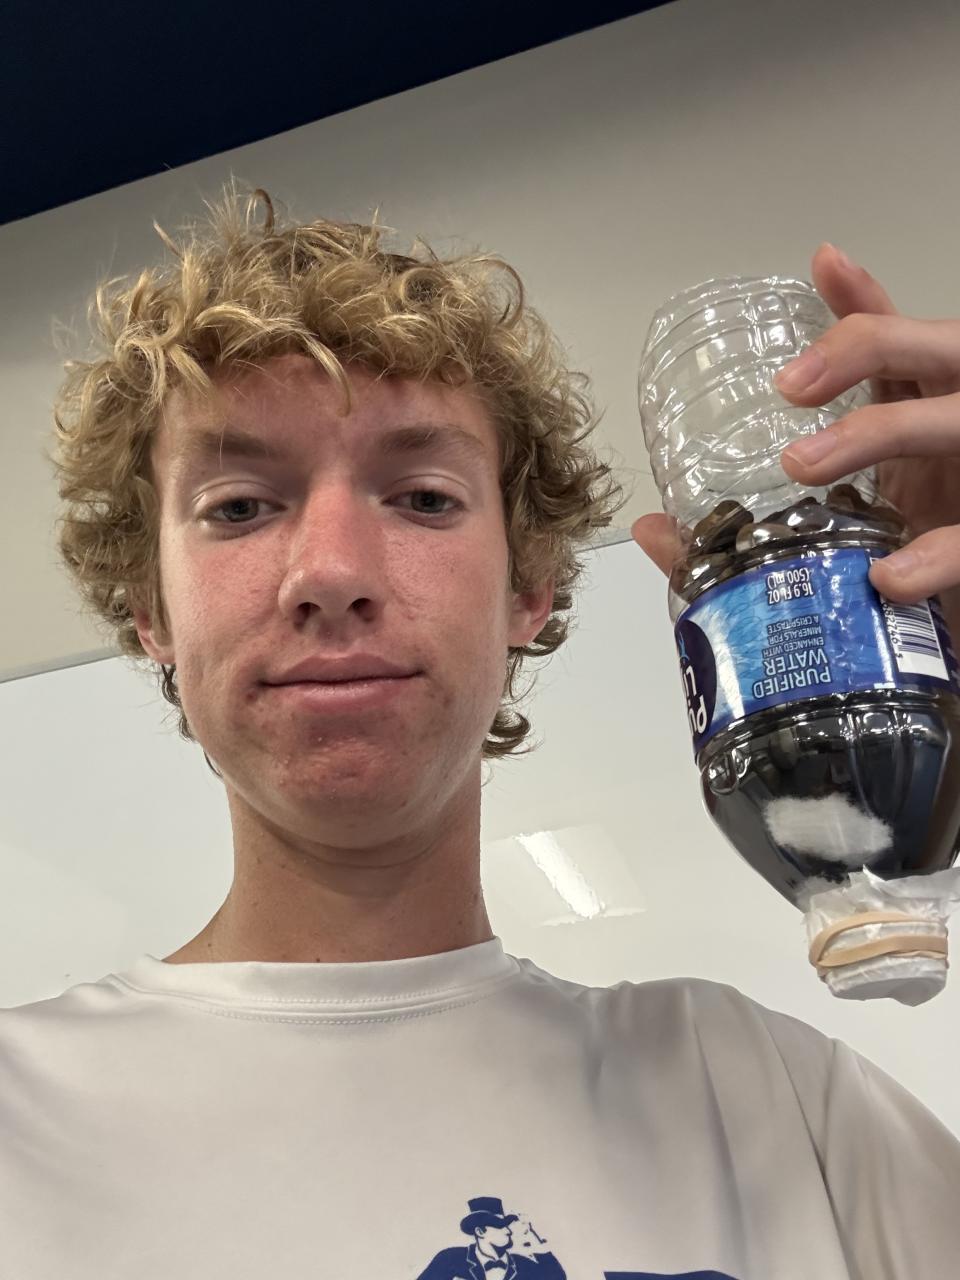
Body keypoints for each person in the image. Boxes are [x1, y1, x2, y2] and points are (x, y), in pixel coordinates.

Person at [1, 184, 958, 1279]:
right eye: (238, 507)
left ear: (530, 584)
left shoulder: (773, 1107)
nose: (332, 572)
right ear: (152, 609)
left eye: (422, 497)